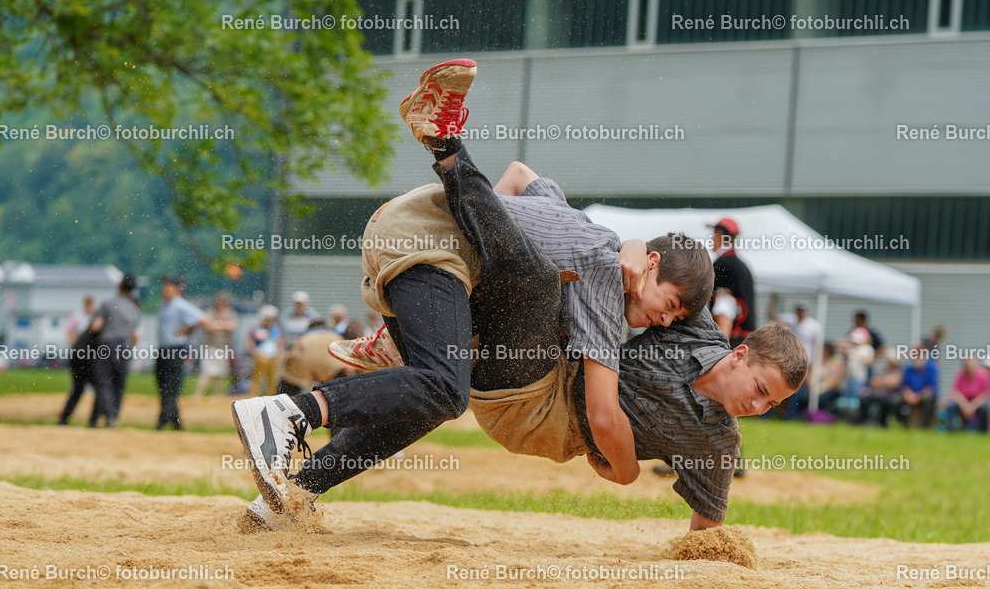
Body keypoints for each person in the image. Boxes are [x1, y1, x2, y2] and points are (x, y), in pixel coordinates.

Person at [232, 58, 806, 533]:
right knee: (447, 379)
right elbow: (525, 180)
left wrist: (629, 472)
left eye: (770, 405)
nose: (758, 406)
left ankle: (448, 157)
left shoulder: (716, 438)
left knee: (499, 323)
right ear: (738, 352)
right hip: (487, 317)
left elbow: (705, 528)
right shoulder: (684, 318)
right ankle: (292, 483)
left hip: (541, 407)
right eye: (759, 388)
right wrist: (631, 245)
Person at [156, 274, 208, 430]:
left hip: (174, 350)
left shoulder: (179, 304)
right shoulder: (165, 304)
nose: (165, 289)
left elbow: (203, 319)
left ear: (178, 289)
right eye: (165, 285)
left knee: (170, 386)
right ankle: (176, 423)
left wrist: (186, 330)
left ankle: (162, 420)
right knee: (163, 385)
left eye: (169, 286)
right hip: (164, 349)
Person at [89, 274, 141, 427]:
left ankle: (110, 415)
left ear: (119, 286)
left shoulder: (108, 303)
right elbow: (136, 334)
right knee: (119, 383)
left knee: (104, 382)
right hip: (125, 346)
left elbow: (96, 326)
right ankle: (114, 416)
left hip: (107, 345)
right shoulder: (134, 307)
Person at [767, 295, 822, 419]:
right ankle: (771, 413)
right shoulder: (790, 320)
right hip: (789, 360)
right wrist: (772, 301)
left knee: (796, 390)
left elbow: (817, 348)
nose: (800, 312)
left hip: (805, 362)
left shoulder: (814, 326)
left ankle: (792, 415)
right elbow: (771, 316)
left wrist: (813, 368)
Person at [708, 217, 755, 347]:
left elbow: (724, 307)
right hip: (745, 345)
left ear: (720, 235)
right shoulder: (743, 266)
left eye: (713, 234)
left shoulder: (723, 264)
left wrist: (719, 349)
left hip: (731, 344)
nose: (711, 239)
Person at [58, 295, 97, 425]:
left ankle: (93, 419)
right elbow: (70, 332)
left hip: (91, 357)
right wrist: (79, 345)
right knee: (79, 388)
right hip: (80, 356)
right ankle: (65, 418)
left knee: (96, 389)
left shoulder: (95, 317)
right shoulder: (77, 316)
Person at [194, 291, 239, 397]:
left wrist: (217, 325)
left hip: (224, 348)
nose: (222, 304)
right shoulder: (210, 312)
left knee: (220, 373)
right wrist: (223, 326)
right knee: (206, 372)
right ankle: (197, 395)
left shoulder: (230, 313)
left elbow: (233, 326)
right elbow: (208, 326)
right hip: (211, 347)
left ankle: (216, 395)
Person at [887, 345, 938, 428]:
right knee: (895, 400)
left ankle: (925, 426)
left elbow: (930, 388)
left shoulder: (932, 368)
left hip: (923, 396)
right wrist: (908, 395)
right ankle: (901, 424)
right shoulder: (908, 368)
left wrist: (917, 397)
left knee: (927, 400)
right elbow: (904, 385)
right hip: (909, 395)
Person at [246, 305, 284, 396]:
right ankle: (253, 396)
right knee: (257, 378)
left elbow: (280, 341)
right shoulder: (256, 328)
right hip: (260, 356)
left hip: (273, 357)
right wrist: (254, 352)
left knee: (272, 380)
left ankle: (270, 397)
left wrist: (279, 352)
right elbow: (250, 341)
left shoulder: (276, 328)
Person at [945, 358, 989, 432]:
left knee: (985, 408)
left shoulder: (983, 376)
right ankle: (951, 429)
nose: (970, 369)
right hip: (963, 401)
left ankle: (983, 430)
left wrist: (973, 406)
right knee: (951, 406)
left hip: (977, 402)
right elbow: (955, 392)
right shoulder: (960, 375)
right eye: (968, 366)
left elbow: (985, 394)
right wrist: (965, 405)